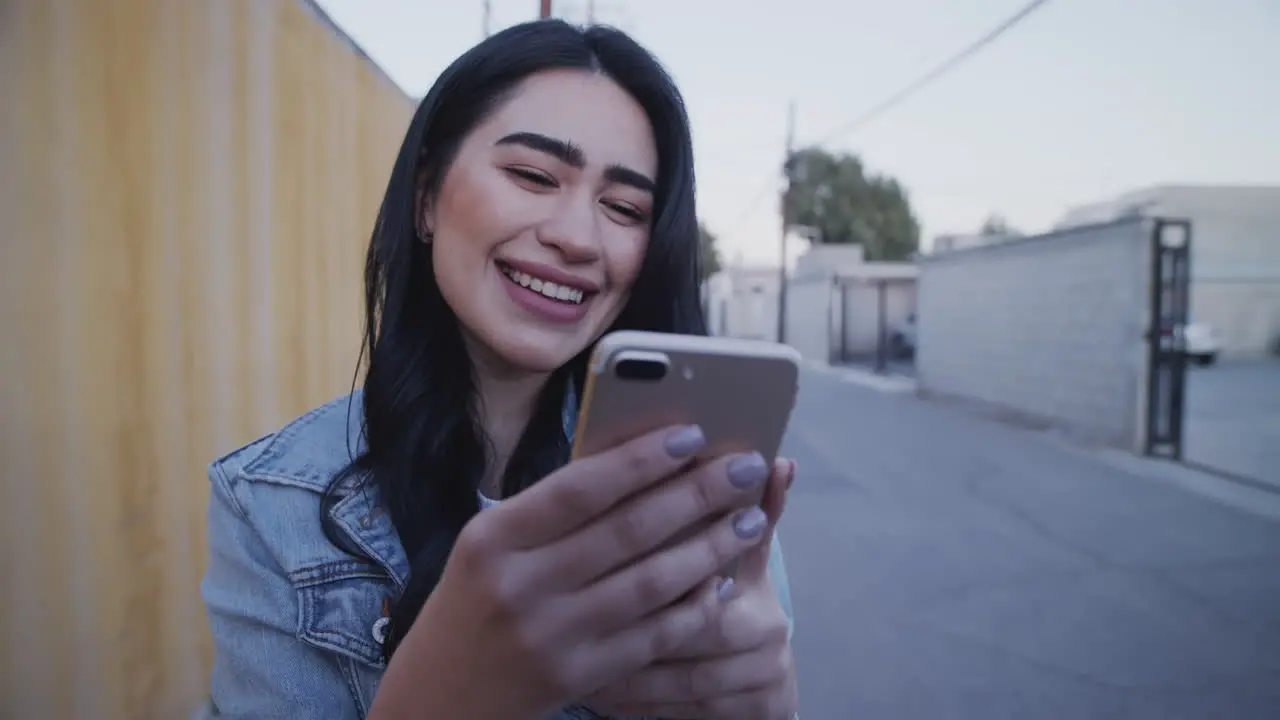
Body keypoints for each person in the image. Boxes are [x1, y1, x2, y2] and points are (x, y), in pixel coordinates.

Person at [199, 18, 799, 720]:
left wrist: (771, 705)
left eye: (624, 207)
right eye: (533, 175)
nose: (577, 237)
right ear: (425, 197)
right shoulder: (269, 504)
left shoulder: (694, 484)